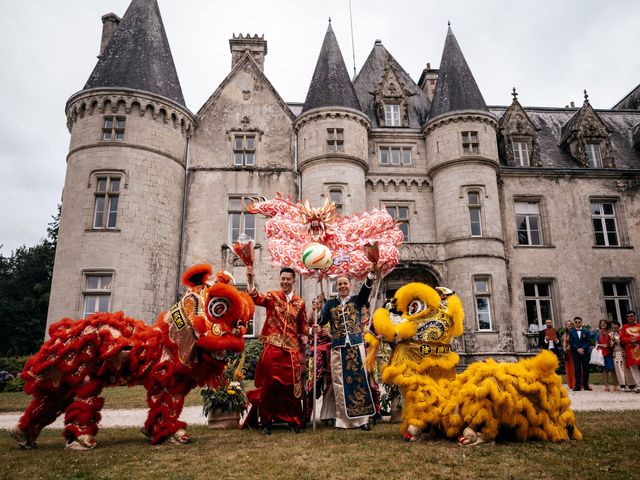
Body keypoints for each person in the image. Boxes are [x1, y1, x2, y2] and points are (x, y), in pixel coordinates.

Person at [245, 266, 308, 434]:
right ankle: (266, 422)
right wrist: (250, 280)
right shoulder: (272, 297)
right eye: (283, 279)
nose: (285, 282)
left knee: (291, 388)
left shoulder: (300, 302)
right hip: (273, 348)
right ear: (280, 280)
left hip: (292, 351)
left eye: (288, 279)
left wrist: (313, 330)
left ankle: (293, 421)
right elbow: (256, 298)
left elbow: (303, 326)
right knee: (270, 386)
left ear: (293, 281)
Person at [317, 271, 376, 430]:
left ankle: (362, 421)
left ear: (350, 286)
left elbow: (366, 289)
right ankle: (342, 420)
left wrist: (370, 274)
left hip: (356, 345)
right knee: (339, 383)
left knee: (360, 381)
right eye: (339, 284)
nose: (342, 286)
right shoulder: (330, 304)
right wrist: (319, 305)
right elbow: (321, 320)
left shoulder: (357, 300)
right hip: (339, 347)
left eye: (345, 283)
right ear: (336, 287)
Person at [304, 296, 335, 426]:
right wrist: (313, 310)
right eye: (314, 302)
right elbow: (308, 324)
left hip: (329, 354)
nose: (317, 304)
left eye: (320, 303)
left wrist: (329, 335)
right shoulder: (312, 319)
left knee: (330, 385)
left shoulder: (330, 318)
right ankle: (306, 416)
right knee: (313, 384)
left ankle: (329, 415)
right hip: (316, 355)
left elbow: (336, 337)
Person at [568, 316, 591, 391]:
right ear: (574, 323)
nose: (578, 323)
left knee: (586, 369)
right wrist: (577, 349)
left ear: (581, 322)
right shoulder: (571, 332)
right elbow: (571, 342)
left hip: (585, 352)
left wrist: (583, 348)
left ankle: (586, 385)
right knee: (577, 369)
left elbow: (588, 342)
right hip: (576, 352)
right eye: (576, 322)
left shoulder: (586, 331)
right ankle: (577, 385)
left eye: (579, 322)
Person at [619, 310, 640, 392]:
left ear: (635, 317)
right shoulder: (624, 327)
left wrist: (636, 339)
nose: (630, 318)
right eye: (628, 316)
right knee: (633, 368)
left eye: (631, 316)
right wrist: (631, 340)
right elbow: (622, 338)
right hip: (630, 350)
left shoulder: (639, 325)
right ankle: (638, 385)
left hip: (639, 348)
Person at [595, 319, 615, 391]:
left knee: (613, 370)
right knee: (604, 370)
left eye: (604, 323)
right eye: (601, 323)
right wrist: (603, 345)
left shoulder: (610, 333)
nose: (603, 325)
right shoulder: (598, 334)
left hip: (610, 353)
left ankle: (615, 385)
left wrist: (608, 345)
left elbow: (612, 342)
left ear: (607, 324)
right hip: (602, 354)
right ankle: (607, 386)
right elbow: (596, 344)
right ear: (600, 325)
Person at [610, 321, 630, 391]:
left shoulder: (622, 332)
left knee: (625, 368)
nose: (614, 326)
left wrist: (616, 341)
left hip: (623, 351)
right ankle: (622, 385)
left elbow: (624, 342)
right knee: (618, 369)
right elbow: (611, 345)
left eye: (615, 325)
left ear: (618, 326)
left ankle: (629, 384)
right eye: (612, 325)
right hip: (616, 352)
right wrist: (612, 342)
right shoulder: (611, 334)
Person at [562, 319, 576, 390]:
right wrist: (564, 349)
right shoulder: (565, 333)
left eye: (570, 324)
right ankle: (570, 384)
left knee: (574, 367)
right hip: (567, 352)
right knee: (568, 368)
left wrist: (569, 346)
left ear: (572, 325)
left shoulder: (574, 332)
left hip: (573, 351)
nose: (569, 325)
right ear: (566, 326)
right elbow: (564, 342)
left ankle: (575, 384)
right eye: (567, 324)